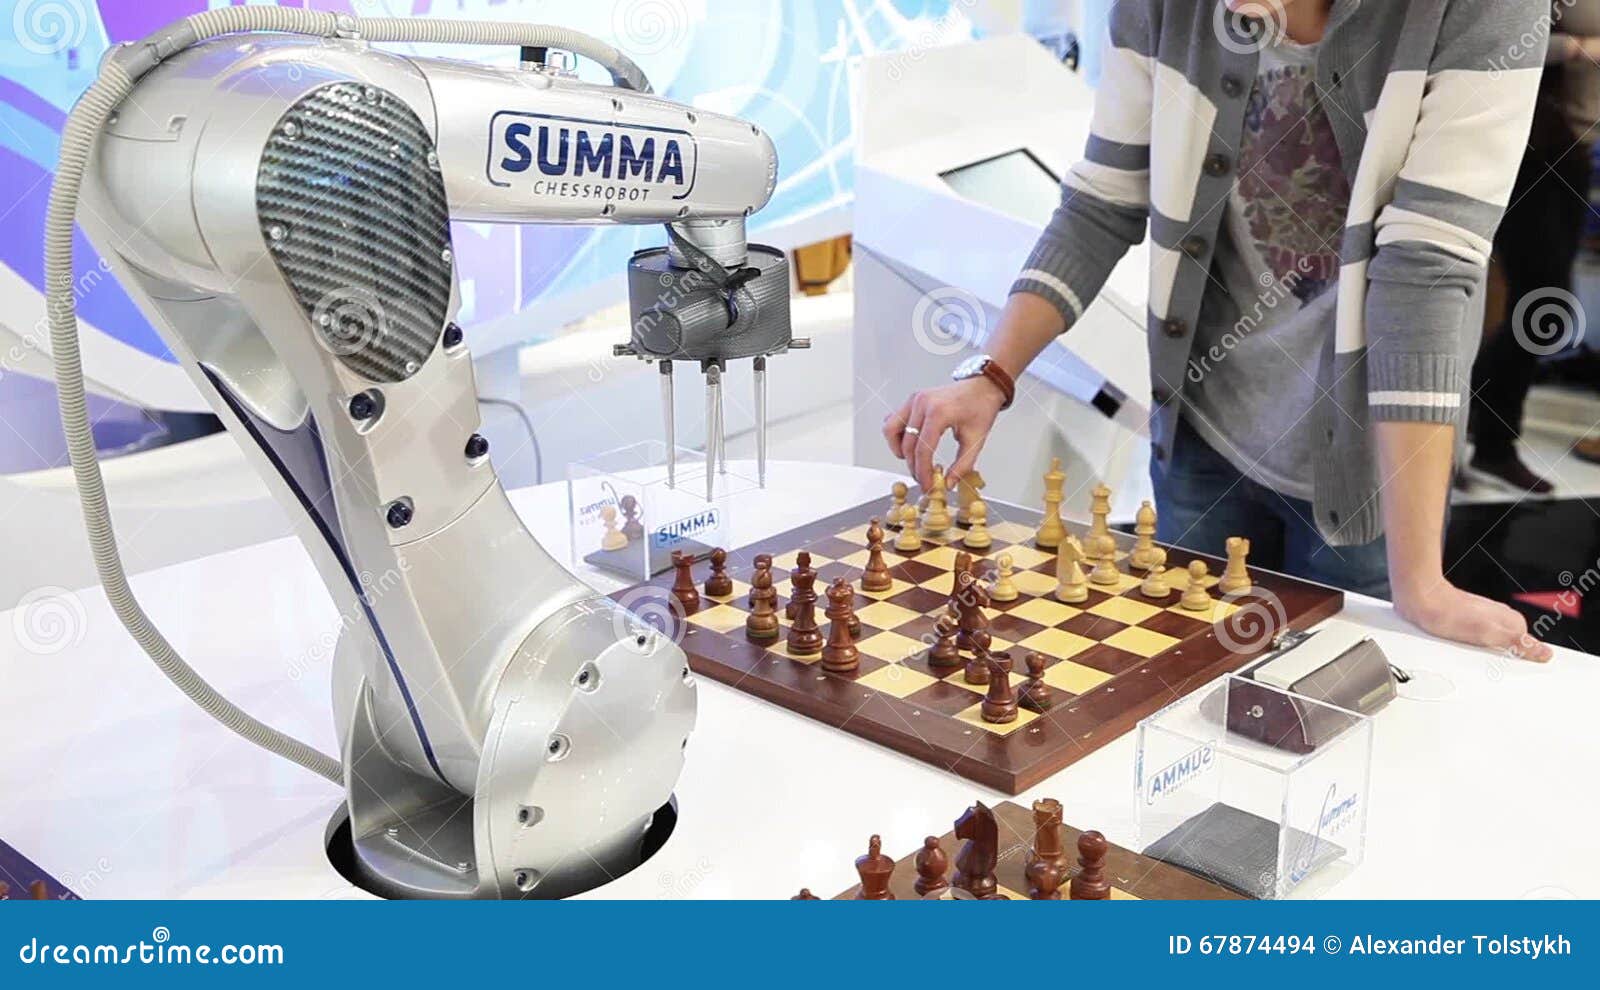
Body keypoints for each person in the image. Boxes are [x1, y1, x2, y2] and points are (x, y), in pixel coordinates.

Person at [883, 0, 1553, 661]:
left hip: (1374, 468)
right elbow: (1102, 203)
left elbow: (1425, 270)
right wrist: (992, 374)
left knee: (1336, 705)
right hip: (1201, 437)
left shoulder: (1490, 11)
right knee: (1185, 690)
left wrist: (1422, 584)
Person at [1469, 1, 1600, 490]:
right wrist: (1581, 48)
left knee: (1545, 305)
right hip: (1531, 149)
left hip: (1574, 148)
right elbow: (1492, 42)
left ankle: (1475, 427)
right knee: (1544, 301)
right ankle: (1489, 442)